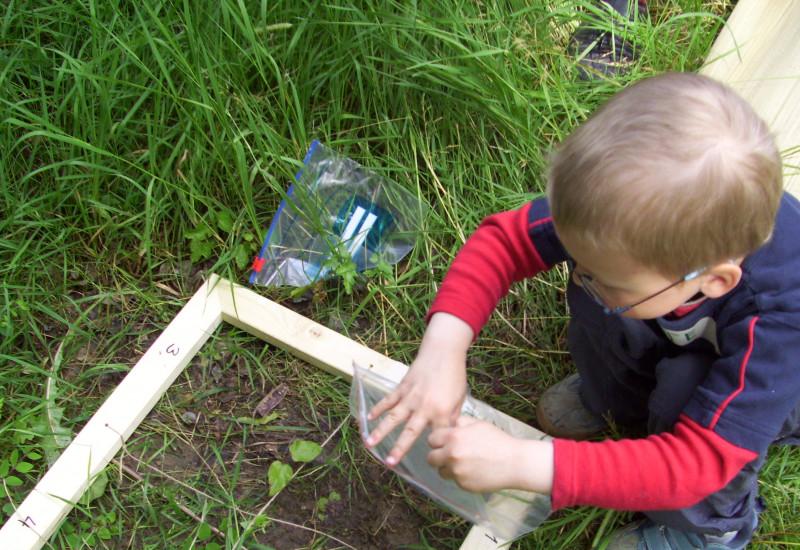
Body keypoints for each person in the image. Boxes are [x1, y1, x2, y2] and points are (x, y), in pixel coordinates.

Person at [365, 73, 800, 550]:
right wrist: (442, 351)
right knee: (607, 305)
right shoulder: (626, 212)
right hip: (671, 312)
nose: (577, 276)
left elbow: (703, 461)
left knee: (681, 392)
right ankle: (612, 395)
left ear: (714, 280)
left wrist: (530, 465)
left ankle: (710, 531)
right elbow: (503, 242)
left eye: (606, 275)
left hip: (777, 393)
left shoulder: (779, 317)